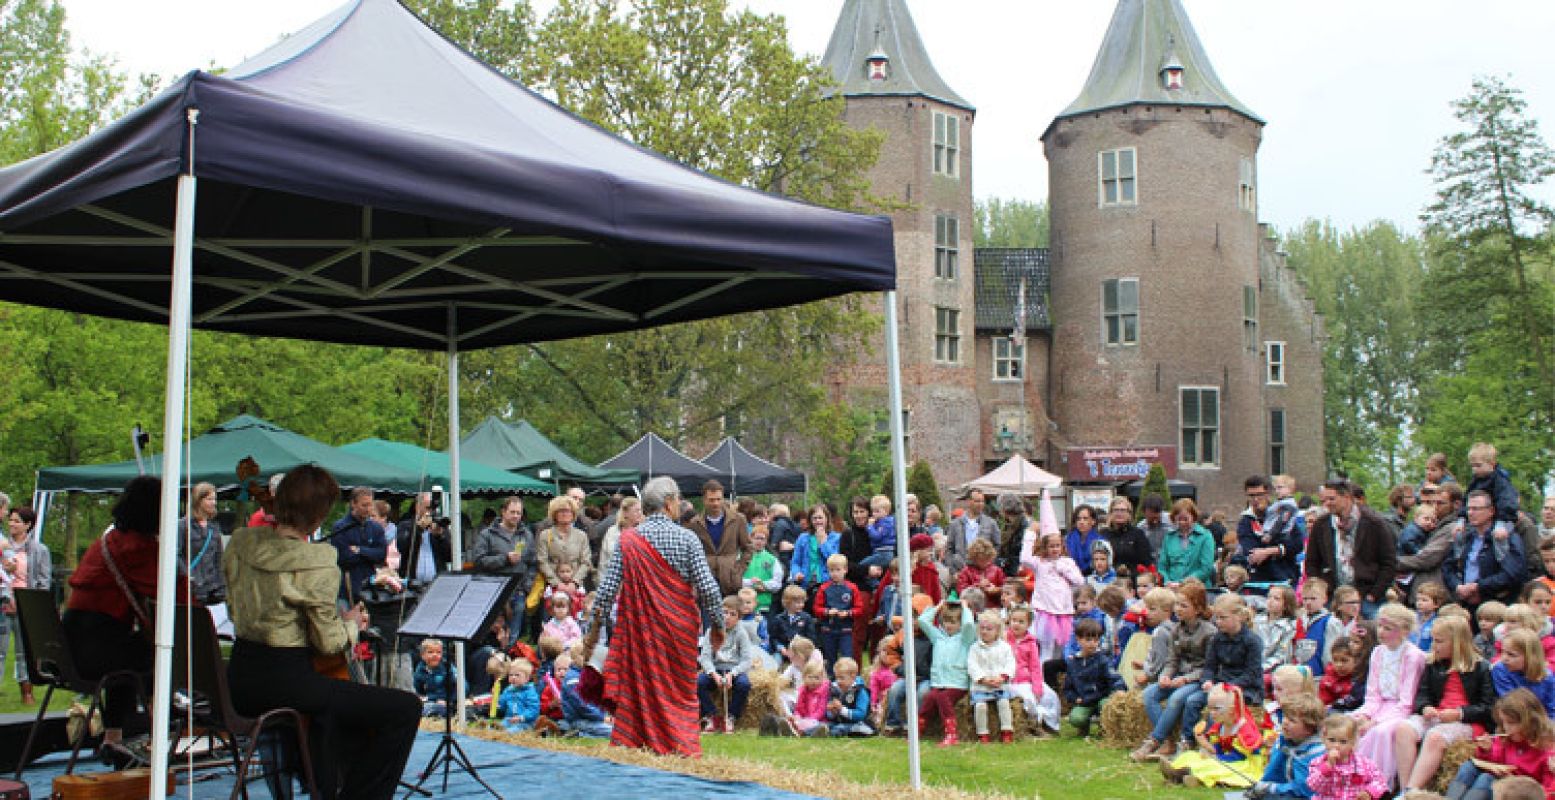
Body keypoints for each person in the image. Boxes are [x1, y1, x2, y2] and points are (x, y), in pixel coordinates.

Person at [225, 465, 419, 800]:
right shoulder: (315, 560)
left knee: (340, 705)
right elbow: (329, 642)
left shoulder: (241, 542)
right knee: (405, 708)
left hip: (239, 679)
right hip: (287, 685)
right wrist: (351, 625)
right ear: (319, 516)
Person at [585, 476, 724, 757]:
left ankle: (639, 743)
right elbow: (708, 588)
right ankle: (679, 745)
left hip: (641, 633)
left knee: (641, 688)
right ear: (670, 503)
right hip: (678, 631)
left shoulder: (629, 540)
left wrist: (592, 630)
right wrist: (719, 624)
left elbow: (606, 591)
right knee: (679, 692)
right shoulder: (687, 538)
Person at [62, 476, 190, 767]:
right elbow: (177, 598)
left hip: (72, 644)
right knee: (161, 656)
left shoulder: (106, 541)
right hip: (96, 650)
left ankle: (114, 738)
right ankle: (156, 742)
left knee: (132, 654)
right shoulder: (138, 549)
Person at [1396, 616, 1495, 794]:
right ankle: (1404, 789)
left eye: (1439, 641)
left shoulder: (1481, 667)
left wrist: (1459, 714)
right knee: (1404, 729)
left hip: (1468, 722)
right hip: (1439, 714)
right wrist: (1425, 707)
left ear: (1457, 643)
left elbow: (1488, 707)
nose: (1434, 645)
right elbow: (1423, 693)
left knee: (1435, 737)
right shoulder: (1434, 663)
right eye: (1433, 639)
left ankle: (1412, 790)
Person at [1132, 583, 1215, 762]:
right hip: (1178, 676)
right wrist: (1166, 675)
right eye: (1177, 604)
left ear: (1198, 608)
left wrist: (1185, 679)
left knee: (1176, 698)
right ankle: (1167, 740)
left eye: (1184, 605)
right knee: (1149, 694)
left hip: (1197, 680)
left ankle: (1154, 740)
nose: (1178, 609)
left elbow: (1209, 666)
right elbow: (1172, 660)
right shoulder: (1176, 630)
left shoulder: (1209, 632)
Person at [1351, 603, 1427, 785]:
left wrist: (1374, 721)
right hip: (1378, 706)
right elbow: (1372, 694)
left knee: (1381, 731)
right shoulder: (1378, 652)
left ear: (1404, 631)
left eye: (1388, 628)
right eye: (1380, 626)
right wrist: (1365, 714)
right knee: (1349, 723)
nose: (1381, 632)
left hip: (1400, 711)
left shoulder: (1413, 656)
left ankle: (1376, 783)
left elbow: (1407, 702)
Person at [1304, 480, 1396, 618]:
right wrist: (1321, 590)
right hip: (1332, 597)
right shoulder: (1321, 525)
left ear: (1346, 497)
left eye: (1331, 499)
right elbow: (1312, 561)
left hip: (1366, 597)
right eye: (1324, 500)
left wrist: (1374, 594)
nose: (1327, 504)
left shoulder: (1374, 523)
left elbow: (1389, 563)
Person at [1446, 689, 1555, 800]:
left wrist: (1514, 781)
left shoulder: (1547, 750)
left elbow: (1547, 792)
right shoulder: (1508, 738)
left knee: (1486, 779)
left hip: (1519, 792)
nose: (1506, 728)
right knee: (1468, 767)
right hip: (1502, 779)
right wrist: (1487, 750)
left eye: (1511, 723)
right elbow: (1497, 760)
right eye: (1503, 722)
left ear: (1531, 722)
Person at [1162, 683, 1268, 789]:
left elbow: (1238, 756)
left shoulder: (1242, 728)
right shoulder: (1220, 726)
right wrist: (1204, 743)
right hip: (1224, 758)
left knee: (1215, 766)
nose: (1212, 713)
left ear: (1231, 709)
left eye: (1216, 709)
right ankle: (1179, 771)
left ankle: (1188, 775)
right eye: (1210, 708)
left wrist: (1215, 758)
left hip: (1242, 763)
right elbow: (1217, 750)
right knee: (1190, 755)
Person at [1444, 490, 1526, 614]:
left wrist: (1478, 587)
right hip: (1466, 605)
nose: (1470, 513)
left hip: (1496, 606)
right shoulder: (1465, 537)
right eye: (1469, 509)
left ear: (1491, 511)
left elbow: (1512, 573)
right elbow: (1448, 567)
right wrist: (1457, 586)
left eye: (1476, 509)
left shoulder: (1506, 538)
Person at [472, 496, 539, 638]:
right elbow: (478, 561)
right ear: (503, 512)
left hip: (518, 591)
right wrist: (505, 559)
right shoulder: (487, 534)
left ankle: (510, 657)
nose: (515, 516)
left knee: (514, 634)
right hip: (494, 591)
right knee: (494, 633)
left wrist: (527, 587)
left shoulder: (527, 535)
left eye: (518, 513)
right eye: (512, 512)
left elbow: (533, 563)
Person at [917, 599, 977, 747]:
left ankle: (952, 734)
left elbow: (969, 625)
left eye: (954, 622)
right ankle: (918, 730)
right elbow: (922, 621)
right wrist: (938, 607)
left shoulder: (965, 638)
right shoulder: (938, 637)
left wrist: (964, 608)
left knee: (943, 698)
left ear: (960, 623)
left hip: (957, 683)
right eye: (946, 622)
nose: (949, 625)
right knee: (930, 698)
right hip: (939, 682)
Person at [2, 506, 44, 704]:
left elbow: (43, 581)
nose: (12, 524)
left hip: (24, 607)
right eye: (10, 520)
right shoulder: (2, 546)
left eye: (17, 521)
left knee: (23, 652)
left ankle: (26, 692)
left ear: (28, 525)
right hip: (3, 606)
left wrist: (35, 606)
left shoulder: (38, 550)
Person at [1250, 692, 1326, 800]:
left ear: (1309, 729)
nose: (1285, 722)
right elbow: (1274, 771)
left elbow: (1304, 789)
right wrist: (1263, 786)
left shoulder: (1314, 752)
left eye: (1292, 720)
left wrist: (1272, 788)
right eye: (1285, 717)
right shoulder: (1286, 739)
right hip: (1287, 790)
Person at [685, 480, 751, 597]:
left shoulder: (738, 520)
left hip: (730, 578)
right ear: (704, 500)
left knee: (730, 613)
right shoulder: (695, 523)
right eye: (711, 500)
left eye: (718, 499)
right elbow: (690, 552)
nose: (715, 503)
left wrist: (739, 570)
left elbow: (748, 548)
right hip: (705, 578)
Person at [1237, 475, 1304, 587]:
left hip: (1286, 576)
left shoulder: (1282, 513)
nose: (1256, 499)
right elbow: (1251, 550)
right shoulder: (1246, 521)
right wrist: (1279, 548)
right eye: (1251, 495)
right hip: (1259, 579)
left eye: (1260, 495)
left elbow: (1297, 544)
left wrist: (1269, 551)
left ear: (1267, 493)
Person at [1062, 617, 1123, 738]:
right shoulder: (1073, 662)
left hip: (1101, 697)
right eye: (1088, 640)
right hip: (1084, 701)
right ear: (1078, 640)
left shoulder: (1103, 660)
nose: (1093, 643)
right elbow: (1068, 687)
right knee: (1075, 719)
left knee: (1107, 705)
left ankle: (1105, 727)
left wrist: (1118, 691)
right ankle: (1084, 726)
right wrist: (1074, 698)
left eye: (1096, 640)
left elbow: (1114, 678)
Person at [1305, 715, 1387, 800]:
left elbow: (1380, 781)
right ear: (1324, 739)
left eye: (1343, 742)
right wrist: (1327, 766)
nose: (1336, 745)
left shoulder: (1364, 763)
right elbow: (1313, 786)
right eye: (1331, 740)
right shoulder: (1317, 763)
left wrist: (1369, 792)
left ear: (1352, 743)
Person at [330, 487, 388, 602]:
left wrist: (360, 550)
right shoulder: (340, 528)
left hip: (370, 590)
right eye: (364, 505)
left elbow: (381, 555)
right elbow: (344, 558)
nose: (368, 509)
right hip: (347, 590)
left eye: (370, 505)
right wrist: (370, 554)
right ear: (353, 504)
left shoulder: (375, 528)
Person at [176, 482, 226, 608]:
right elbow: (176, 554)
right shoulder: (182, 526)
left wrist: (223, 585)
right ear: (198, 500)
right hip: (192, 589)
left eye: (214, 499)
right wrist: (188, 576)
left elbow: (219, 558)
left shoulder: (213, 528)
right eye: (209, 499)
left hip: (214, 590)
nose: (214, 503)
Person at [537, 495, 592, 592]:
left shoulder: (582, 535)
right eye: (561, 511)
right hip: (552, 586)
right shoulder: (545, 535)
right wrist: (556, 583)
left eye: (568, 511)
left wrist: (575, 582)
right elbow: (542, 561)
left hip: (576, 586)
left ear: (573, 513)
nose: (565, 514)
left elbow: (586, 562)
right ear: (554, 514)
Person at [396, 492, 451, 589]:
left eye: (432, 509)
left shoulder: (439, 526)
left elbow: (450, 557)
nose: (430, 512)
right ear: (418, 507)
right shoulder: (405, 525)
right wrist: (419, 529)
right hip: (411, 584)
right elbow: (402, 548)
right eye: (428, 508)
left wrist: (440, 537)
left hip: (437, 584)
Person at [1159, 499, 1217, 587]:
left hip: (1197, 588)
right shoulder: (1169, 538)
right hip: (1171, 588)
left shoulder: (1205, 536)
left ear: (1193, 517)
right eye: (1179, 519)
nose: (1182, 522)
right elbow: (1162, 565)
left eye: (1185, 519)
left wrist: (1182, 583)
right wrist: (1167, 581)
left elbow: (1206, 568)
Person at [948, 489, 1001, 574]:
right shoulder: (956, 523)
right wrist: (952, 570)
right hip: (960, 570)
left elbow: (997, 546)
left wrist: (988, 564)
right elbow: (949, 548)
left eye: (982, 501)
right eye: (977, 501)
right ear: (969, 502)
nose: (980, 504)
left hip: (982, 571)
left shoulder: (991, 523)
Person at [1101, 496, 1154, 577]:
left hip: (1132, 579)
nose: (1119, 513)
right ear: (1111, 513)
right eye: (1116, 510)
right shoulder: (1103, 534)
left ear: (1129, 514)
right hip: (1108, 579)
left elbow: (1146, 561)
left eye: (1123, 510)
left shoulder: (1138, 534)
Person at [825, 656, 874, 737]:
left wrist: (842, 710)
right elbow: (829, 715)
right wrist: (832, 712)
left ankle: (831, 733)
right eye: (836, 677)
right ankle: (806, 731)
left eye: (841, 678)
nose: (838, 681)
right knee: (825, 725)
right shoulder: (835, 690)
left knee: (840, 728)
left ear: (853, 677)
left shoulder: (860, 691)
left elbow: (861, 714)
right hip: (841, 722)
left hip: (858, 723)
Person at [498, 658, 542, 733]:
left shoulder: (530, 692)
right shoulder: (508, 690)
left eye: (517, 675)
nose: (513, 677)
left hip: (525, 722)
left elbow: (533, 710)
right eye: (511, 675)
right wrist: (498, 702)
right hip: (509, 719)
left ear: (527, 678)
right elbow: (502, 705)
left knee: (511, 732)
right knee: (497, 728)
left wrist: (522, 717)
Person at [413, 639, 455, 718]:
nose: (435, 655)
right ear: (422, 655)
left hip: (445, 702)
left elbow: (459, 687)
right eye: (430, 652)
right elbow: (418, 689)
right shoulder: (420, 670)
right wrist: (422, 698)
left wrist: (449, 701)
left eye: (438, 652)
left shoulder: (447, 667)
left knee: (434, 709)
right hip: (428, 701)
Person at [1137, 495, 1176, 562]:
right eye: (1151, 518)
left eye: (1157, 516)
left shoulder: (1173, 521)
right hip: (1151, 566)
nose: (1155, 521)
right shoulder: (1140, 528)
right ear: (1144, 512)